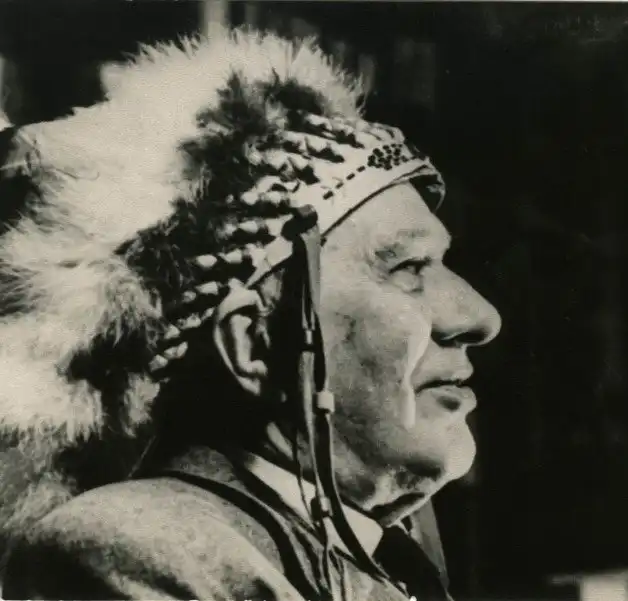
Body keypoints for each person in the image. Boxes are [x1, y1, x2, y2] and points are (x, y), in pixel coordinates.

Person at [0, 28, 500, 601]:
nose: (481, 317)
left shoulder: (374, 556)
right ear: (255, 344)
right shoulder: (143, 549)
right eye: (408, 267)